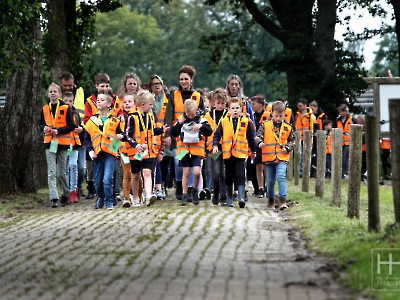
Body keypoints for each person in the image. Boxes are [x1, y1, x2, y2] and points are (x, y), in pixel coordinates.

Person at [164, 65, 203, 201]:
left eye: (186, 79)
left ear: (191, 80)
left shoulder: (198, 96)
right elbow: (168, 115)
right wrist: (168, 134)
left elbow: (203, 114)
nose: (183, 82)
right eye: (181, 79)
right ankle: (180, 185)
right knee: (178, 163)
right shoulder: (174, 95)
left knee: (194, 166)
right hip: (178, 136)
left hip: (194, 136)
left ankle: (191, 189)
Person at [126, 90, 169, 207]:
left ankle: (149, 195)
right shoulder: (132, 117)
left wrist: (161, 130)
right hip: (136, 153)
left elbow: (152, 131)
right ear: (143, 105)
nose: (152, 107)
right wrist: (136, 145)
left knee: (147, 172)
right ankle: (135, 198)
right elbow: (127, 135)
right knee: (135, 175)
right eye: (150, 104)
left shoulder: (150, 117)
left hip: (149, 152)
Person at [84, 93, 126, 210]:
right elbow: (86, 139)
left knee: (108, 178)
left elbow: (121, 134)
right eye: (98, 100)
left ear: (108, 104)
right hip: (97, 154)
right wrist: (90, 150)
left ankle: (109, 201)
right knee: (97, 181)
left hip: (109, 154)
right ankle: (100, 198)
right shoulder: (91, 121)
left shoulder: (114, 120)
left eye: (102, 100)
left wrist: (117, 142)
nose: (98, 102)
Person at [212, 97, 256, 208]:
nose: (235, 110)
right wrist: (215, 145)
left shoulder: (245, 122)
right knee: (229, 176)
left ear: (241, 109)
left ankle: (241, 197)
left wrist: (254, 150)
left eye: (237, 108)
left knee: (240, 175)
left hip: (240, 154)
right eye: (233, 108)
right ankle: (229, 198)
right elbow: (217, 135)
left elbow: (250, 137)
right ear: (229, 109)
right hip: (228, 154)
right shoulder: (224, 121)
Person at [40, 83, 75, 208]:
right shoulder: (44, 108)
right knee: (51, 171)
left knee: (61, 172)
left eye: (55, 91)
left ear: (60, 94)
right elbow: (41, 123)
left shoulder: (65, 108)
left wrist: (59, 131)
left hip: (63, 143)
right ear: (48, 94)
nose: (53, 93)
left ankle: (65, 194)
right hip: (49, 143)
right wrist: (43, 128)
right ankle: (53, 197)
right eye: (51, 92)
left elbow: (72, 126)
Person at [171, 99, 212, 206]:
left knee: (197, 172)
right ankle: (184, 194)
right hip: (184, 150)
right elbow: (174, 133)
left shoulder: (201, 119)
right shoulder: (181, 119)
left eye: (192, 114)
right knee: (186, 173)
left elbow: (209, 131)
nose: (190, 116)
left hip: (197, 151)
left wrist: (201, 126)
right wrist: (179, 123)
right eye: (188, 115)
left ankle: (194, 190)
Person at [256, 101, 295, 210]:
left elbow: (293, 141)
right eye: (276, 116)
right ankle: (270, 200)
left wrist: (287, 148)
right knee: (270, 180)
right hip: (269, 158)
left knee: (281, 176)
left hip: (282, 157)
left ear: (284, 114)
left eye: (280, 116)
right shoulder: (265, 125)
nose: (278, 118)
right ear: (271, 113)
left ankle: (282, 200)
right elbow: (258, 136)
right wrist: (260, 143)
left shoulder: (288, 127)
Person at [60, 73, 86, 197]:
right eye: (65, 86)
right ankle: (69, 191)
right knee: (66, 168)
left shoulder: (80, 92)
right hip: (64, 141)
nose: (68, 88)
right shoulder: (57, 97)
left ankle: (78, 186)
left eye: (70, 85)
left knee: (81, 168)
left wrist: (83, 129)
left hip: (80, 139)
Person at [204, 88, 229, 205]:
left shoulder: (228, 115)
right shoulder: (208, 116)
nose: (220, 106)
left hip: (227, 148)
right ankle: (216, 192)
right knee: (215, 173)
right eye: (218, 103)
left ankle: (223, 196)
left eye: (223, 103)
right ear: (214, 102)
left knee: (224, 172)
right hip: (213, 149)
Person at [148, 74, 171, 200]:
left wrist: (168, 134)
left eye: (159, 83)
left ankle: (163, 186)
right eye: (154, 84)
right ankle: (158, 187)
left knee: (166, 162)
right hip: (154, 134)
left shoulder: (168, 98)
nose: (157, 85)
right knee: (156, 162)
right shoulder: (148, 99)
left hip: (166, 133)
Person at [63, 91, 84, 204]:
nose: (68, 103)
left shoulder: (76, 114)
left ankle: (73, 190)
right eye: (66, 101)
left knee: (73, 165)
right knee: (64, 168)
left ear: (73, 102)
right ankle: (66, 191)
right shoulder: (60, 113)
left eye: (70, 101)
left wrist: (80, 129)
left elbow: (80, 126)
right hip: (63, 144)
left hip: (74, 144)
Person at [250, 95, 270, 198]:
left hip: (266, 144)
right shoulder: (252, 116)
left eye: (254, 104)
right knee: (258, 166)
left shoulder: (268, 115)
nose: (252, 106)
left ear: (261, 105)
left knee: (266, 166)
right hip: (256, 144)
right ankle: (260, 188)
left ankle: (268, 186)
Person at [119, 93, 135, 207]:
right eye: (125, 102)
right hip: (124, 150)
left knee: (137, 174)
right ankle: (126, 197)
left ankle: (138, 196)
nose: (127, 104)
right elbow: (115, 134)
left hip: (136, 151)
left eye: (130, 102)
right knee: (127, 174)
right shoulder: (120, 119)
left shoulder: (137, 117)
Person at [295, 98, 316, 176]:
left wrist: (312, 141)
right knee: (299, 156)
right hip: (299, 139)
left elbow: (312, 129)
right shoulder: (297, 115)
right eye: (298, 105)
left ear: (305, 106)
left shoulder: (311, 116)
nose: (298, 107)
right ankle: (300, 172)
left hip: (307, 139)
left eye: (300, 105)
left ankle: (305, 172)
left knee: (306, 156)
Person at [335, 103, 356, 178]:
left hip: (349, 142)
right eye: (339, 112)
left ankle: (345, 172)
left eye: (342, 111)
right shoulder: (338, 120)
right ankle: (343, 172)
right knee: (342, 158)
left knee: (345, 157)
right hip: (341, 142)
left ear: (346, 111)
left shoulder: (352, 119)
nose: (340, 113)